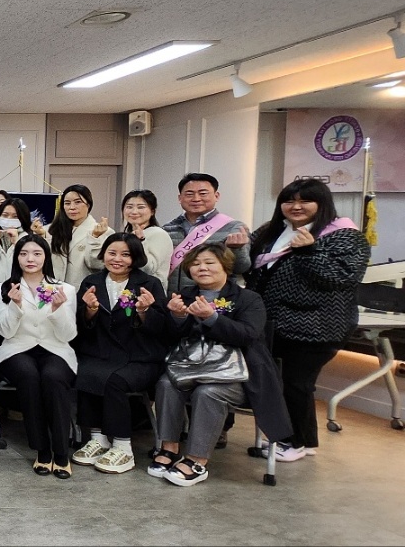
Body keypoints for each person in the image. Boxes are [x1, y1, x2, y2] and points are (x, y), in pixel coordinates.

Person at [245, 178, 369, 462]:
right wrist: (237, 247)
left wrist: (308, 252)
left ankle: (295, 442)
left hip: (316, 326)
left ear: (322, 203)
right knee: (285, 383)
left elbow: (340, 277)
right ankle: (302, 440)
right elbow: (250, 265)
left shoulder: (344, 235)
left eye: (305, 201)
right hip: (274, 324)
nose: (296, 206)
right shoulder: (271, 231)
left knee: (296, 384)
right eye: (289, 201)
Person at [150, 243, 291, 487]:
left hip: (237, 374)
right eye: (196, 264)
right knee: (166, 383)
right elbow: (169, 338)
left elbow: (247, 335)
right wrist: (177, 317)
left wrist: (211, 318)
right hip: (191, 367)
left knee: (209, 392)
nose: (202, 268)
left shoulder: (248, 299)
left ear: (225, 266)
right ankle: (169, 447)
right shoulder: (184, 295)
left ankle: (197, 460)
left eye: (209, 262)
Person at [68, 233, 169, 475]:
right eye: (112, 253)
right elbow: (79, 324)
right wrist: (89, 311)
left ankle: (123, 446)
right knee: (85, 370)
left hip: (139, 357)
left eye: (125, 254)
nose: (117, 259)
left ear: (136, 257)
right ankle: (98, 439)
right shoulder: (92, 282)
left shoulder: (149, 284)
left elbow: (163, 328)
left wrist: (144, 311)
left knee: (115, 381)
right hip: (101, 352)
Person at [0, 234, 78, 478]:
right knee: (29, 376)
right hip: (16, 348)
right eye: (23, 254)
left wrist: (58, 310)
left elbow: (68, 335)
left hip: (55, 348)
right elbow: (5, 332)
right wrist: (15, 306)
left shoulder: (65, 289)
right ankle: (42, 450)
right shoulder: (4, 288)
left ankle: (61, 452)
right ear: (16, 258)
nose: (30, 259)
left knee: (53, 377)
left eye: (37, 253)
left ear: (46, 257)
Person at [162, 173, 252, 293]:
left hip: (214, 298)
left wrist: (237, 249)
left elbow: (241, 268)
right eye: (189, 194)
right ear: (180, 198)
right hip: (173, 297)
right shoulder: (167, 229)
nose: (196, 199)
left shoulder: (234, 227)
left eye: (203, 193)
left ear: (216, 196)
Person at [45, 184, 111, 287]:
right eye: (67, 203)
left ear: (88, 204)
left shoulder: (103, 231)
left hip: (83, 289)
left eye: (78, 202)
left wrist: (95, 238)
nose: (72, 207)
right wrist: (42, 236)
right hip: (54, 289)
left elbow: (98, 265)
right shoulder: (50, 229)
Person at [120, 190, 173, 287]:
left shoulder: (159, 234)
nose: (134, 212)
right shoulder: (126, 235)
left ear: (152, 211)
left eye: (141, 207)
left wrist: (140, 241)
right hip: (126, 290)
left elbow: (148, 269)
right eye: (129, 207)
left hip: (149, 291)